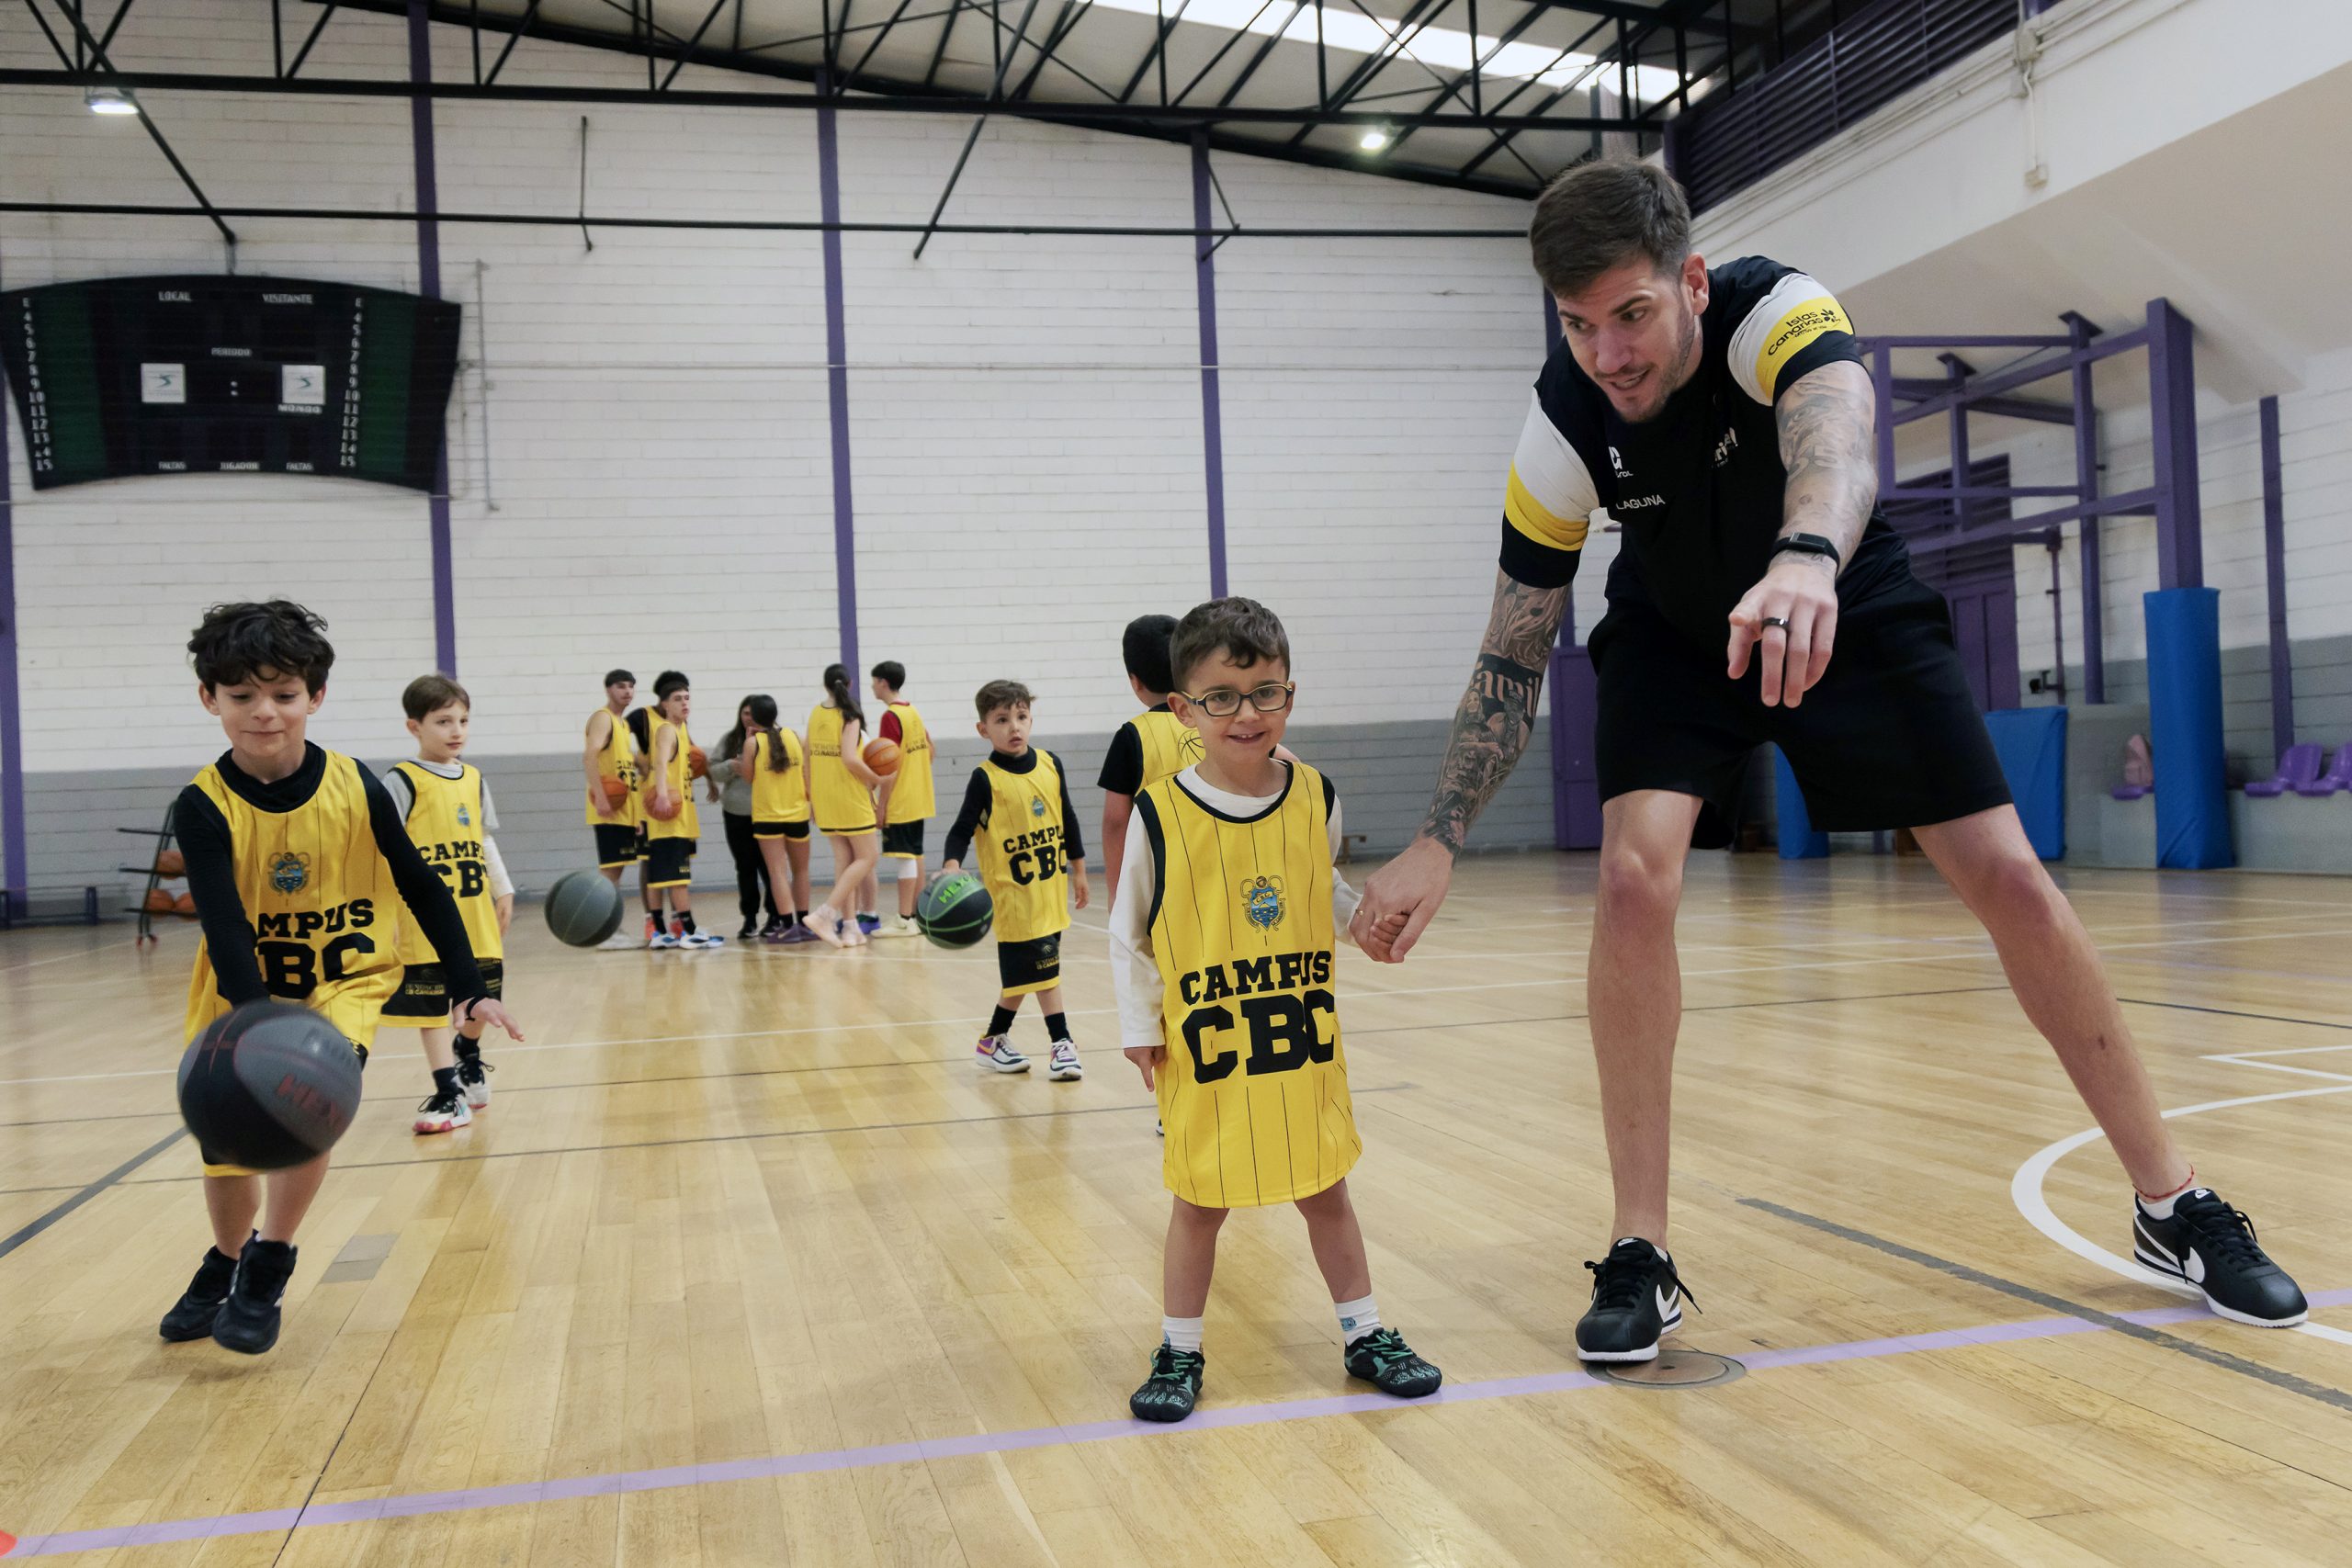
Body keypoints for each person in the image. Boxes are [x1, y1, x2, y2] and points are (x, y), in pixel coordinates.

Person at [1353, 159, 2308, 1361]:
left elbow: (1839, 441)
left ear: (1691, 283)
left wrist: (1804, 556)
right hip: (1674, 627)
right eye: (1579, 324)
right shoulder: (1563, 419)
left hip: (1837, 593)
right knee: (1635, 872)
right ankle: (1640, 1249)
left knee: (2010, 875)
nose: (1609, 352)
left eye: (1633, 314)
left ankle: (2175, 1201)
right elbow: (1513, 648)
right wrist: (1439, 837)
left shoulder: (1776, 309)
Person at [161, 601, 522, 1355]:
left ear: (315, 697)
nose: (265, 713)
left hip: (345, 984)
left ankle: (269, 1259)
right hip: (242, 994)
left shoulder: (359, 785)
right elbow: (224, 924)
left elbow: (422, 885)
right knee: (225, 1148)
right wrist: (255, 1022)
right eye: (241, 696)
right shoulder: (202, 805)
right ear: (209, 699)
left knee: (304, 1107)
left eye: (284, 695)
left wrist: (467, 982)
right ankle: (224, 1259)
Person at [1113, 597, 1439, 1423]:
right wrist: (1138, 1030)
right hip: (1209, 1047)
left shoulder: (1315, 795)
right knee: (1200, 1202)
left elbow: (1318, 889)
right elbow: (1129, 935)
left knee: (1325, 1189)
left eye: (1265, 692)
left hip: (1300, 1041)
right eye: (1222, 695)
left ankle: (1364, 1333)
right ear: (1183, 708)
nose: (1246, 712)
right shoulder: (1160, 814)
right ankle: (1179, 1349)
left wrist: (1360, 921)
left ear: (1290, 695)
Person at [379, 673, 514, 1134]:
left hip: (475, 909)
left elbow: (483, 839)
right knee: (432, 1006)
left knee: (485, 997)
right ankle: (447, 1091)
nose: (456, 730)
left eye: (463, 720)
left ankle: (467, 1054)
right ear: (414, 727)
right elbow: (383, 851)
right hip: (423, 917)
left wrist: (505, 889)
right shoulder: (400, 781)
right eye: (443, 721)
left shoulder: (474, 778)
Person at [937, 680, 1089, 1077]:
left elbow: (1068, 818)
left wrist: (1080, 870)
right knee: (1046, 970)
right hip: (1013, 899)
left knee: (1028, 975)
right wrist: (952, 863)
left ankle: (992, 1041)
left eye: (1020, 717)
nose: (1014, 727)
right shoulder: (985, 779)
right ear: (983, 729)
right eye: (1002, 720)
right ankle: (1062, 1044)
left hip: (1050, 893)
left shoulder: (1051, 764)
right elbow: (960, 828)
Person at [1096, 614, 1201, 898]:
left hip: (1162, 884)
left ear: (1135, 681)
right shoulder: (1215, 721)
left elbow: (1116, 821)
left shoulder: (1132, 736)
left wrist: (1117, 893)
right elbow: (1287, 761)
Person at [803, 663, 884, 947]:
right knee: (868, 857)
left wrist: (811, 798)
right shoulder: (850, 716)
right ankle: (825, 913)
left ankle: (850, 927)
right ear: (849, 685)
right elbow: (850, 758)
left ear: (826, 686)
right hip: (849, 796)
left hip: (824, 798)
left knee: (845, 861)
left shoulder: (815, 714)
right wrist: (877, 779)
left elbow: (807, 758)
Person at [641, 671, 721, 948]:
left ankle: (661, 932)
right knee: (678, 878)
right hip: (670, 816)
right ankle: (688, 931)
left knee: (659, 876)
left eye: (687, 698)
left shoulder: (680, 730)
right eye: (677, 699)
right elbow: (661, 764)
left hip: (678, 816)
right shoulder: (666, 730)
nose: (684, 703)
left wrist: (710, 779)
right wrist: (662, 795)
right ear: (665, 704)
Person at [741, 694, 820, 943]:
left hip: (767, 816)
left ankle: (787, 926)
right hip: (797, 813)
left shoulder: (753, 744)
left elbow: (747, 777)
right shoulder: (796, 737)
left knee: (777, 872)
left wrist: (746, 743)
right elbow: (808, 774)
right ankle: (805, 924)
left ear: (754, 716)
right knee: (802, 870)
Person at [710, 694, 788, 942]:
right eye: (745, 713)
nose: (749, 717)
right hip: (737, 813)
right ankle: (750, 918)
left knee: (771, 868)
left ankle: (776, 916)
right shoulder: (730, 739)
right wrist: (732, 766)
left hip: (768, 812)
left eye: (753, 713)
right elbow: (713, 770)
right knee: (745, 867)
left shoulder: (776, 739)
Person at [869, 660, 935, 939]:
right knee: (915, 855)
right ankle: (917, 918)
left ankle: (904, 918)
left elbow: (889, 765)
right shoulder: (912, 711)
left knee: (905, 857)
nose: (872, 686)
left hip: (902, 797)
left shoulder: (890, 717)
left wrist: (881, 805)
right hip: (919, 793)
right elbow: (931, 751)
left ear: (883, 682)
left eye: (874, 681)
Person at [580, 668, 645, 950]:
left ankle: (610, 930)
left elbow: (626, 770)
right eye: (621, 686)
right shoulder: (602, 718)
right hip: (609, 807)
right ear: (608, 690)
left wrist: (637, 814)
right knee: (610, 872)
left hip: (624, 810)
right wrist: (601, 795)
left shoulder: (623, 725)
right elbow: (589, 755)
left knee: (615, 872)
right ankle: (606, 932)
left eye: (631, 687)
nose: (627, 691)